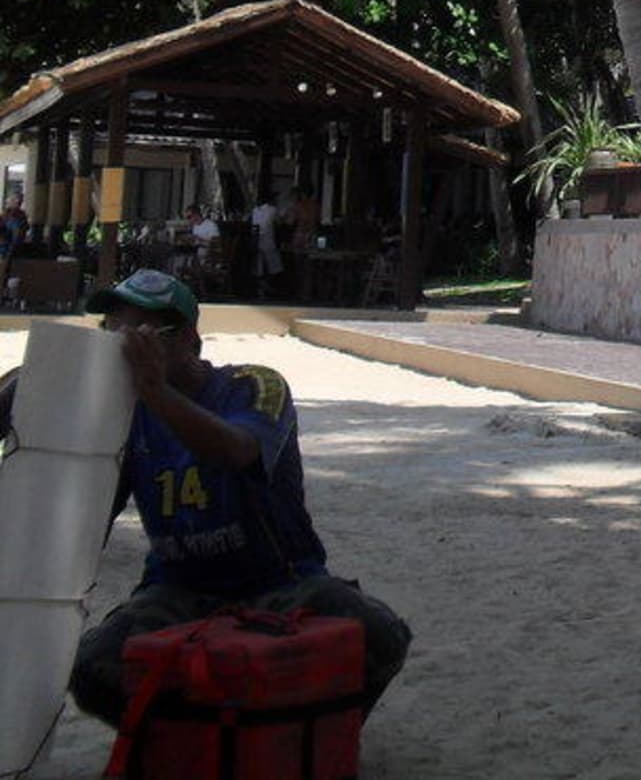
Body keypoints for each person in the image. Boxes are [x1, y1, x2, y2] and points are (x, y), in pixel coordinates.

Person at [68, 269, 412, 727]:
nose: (122, 348)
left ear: (187, 339)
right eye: (111, 332)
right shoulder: (124, 413)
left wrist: (155, 392)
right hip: (177, 587)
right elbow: (88, 516)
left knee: (379, 637)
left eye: (140, 336)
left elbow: (237, 451)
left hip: (280, 582)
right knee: (92, 669)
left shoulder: (254, 385)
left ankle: (303, 737)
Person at [249, 191, 284, 298]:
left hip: (255, 241)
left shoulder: (255, 210)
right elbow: (279, 223)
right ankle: (265, 285)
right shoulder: (272, 210)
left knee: (259, 267)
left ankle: (261, 287)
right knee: (275, 267)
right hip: (268, 242)